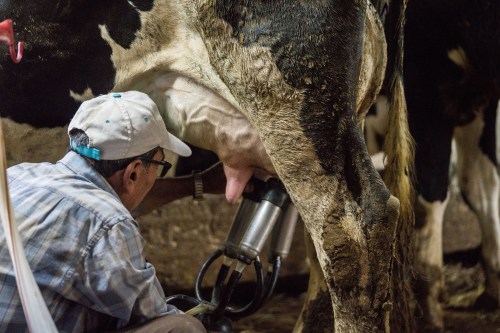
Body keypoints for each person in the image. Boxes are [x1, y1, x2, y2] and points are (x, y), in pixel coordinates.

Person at [0, 91, 226, 333]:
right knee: (184, 328)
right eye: (161, 165)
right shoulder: (111, 225)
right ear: (133, 173)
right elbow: (151, 314)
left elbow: (100, 210)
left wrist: (199, 183)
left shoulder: (18, 175)